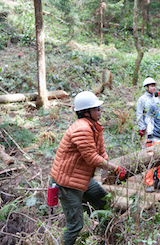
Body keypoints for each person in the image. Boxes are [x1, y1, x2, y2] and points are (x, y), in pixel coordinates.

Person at [50, 91, 127, 245]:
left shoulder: (94, 127)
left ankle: (103, 239)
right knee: (75, 225)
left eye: (99, 108)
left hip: (81, 178)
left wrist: (107, 166)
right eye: (97, 109)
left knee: (104, 204)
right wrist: (115, 169)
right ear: (86, 112)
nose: (100, 111)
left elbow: (100, 152)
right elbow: (91, 158)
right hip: (67, 182)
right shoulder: (82, 129)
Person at [136, 77, 159, 146]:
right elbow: (139, 114)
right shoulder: (142, 99)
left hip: (155, 126)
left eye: (154, 86)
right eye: (152, 86)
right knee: (146, 145)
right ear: (147, 88)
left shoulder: (156, 99)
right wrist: (141, 128)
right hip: (146, 127)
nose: (154, 88)